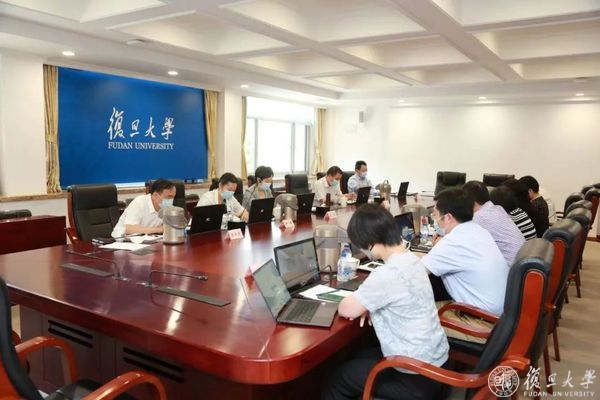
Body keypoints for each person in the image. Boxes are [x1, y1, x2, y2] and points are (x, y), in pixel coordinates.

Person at [322, 204, 449, 400]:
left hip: (414, 377)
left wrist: (363, 305)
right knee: (360, 355)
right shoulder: (413, 260)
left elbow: (347, 309)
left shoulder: (387, 274)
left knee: (338, 378)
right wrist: (369, 305)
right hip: (437, 364)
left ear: (370, 243)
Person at [420, 188, 508, 343]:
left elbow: (414, 273)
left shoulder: (453, 242)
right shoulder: (479, 230)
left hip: (482, 324)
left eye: (435, 215)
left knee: (411, 317)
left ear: (448, 217)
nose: (435, 220)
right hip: (500, 318)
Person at [462, 180, 525, 266]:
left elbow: (460, 242)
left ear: (472, 203)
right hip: (520, 263)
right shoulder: (498, 208)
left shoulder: (479, 217)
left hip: (509, 269)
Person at [111, 178, 176, 237]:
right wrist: (159, 229)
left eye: (173, 197)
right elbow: (129, 229)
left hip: (147, 239)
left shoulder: (166, 207)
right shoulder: (139, 203)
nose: (171, 200)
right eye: (169, 197)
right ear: (155, 195)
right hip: (121, 240)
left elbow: (172, 227)